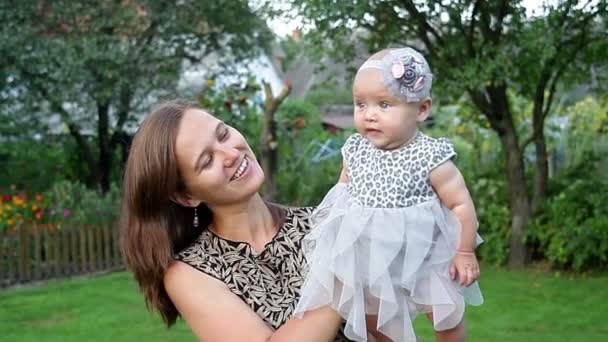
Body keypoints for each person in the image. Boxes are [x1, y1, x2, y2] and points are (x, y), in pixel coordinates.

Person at [119, 99, 354, 341]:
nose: (231, 154)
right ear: (187, 196)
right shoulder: (192, 270)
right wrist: (342, 266)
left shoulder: (318, 222)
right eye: (207, 160)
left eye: (223, 134)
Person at [293, 47, 484, 342]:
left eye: (384, 105)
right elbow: (341, 195)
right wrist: (327, 234)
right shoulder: (355, 150)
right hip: (372, 259)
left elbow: (460, 204)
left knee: (446, 313)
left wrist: (464, 251)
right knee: (375, 319)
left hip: (425, 255)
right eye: (360, 104)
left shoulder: (429, 156)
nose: (369, 114)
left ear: (421, 109)